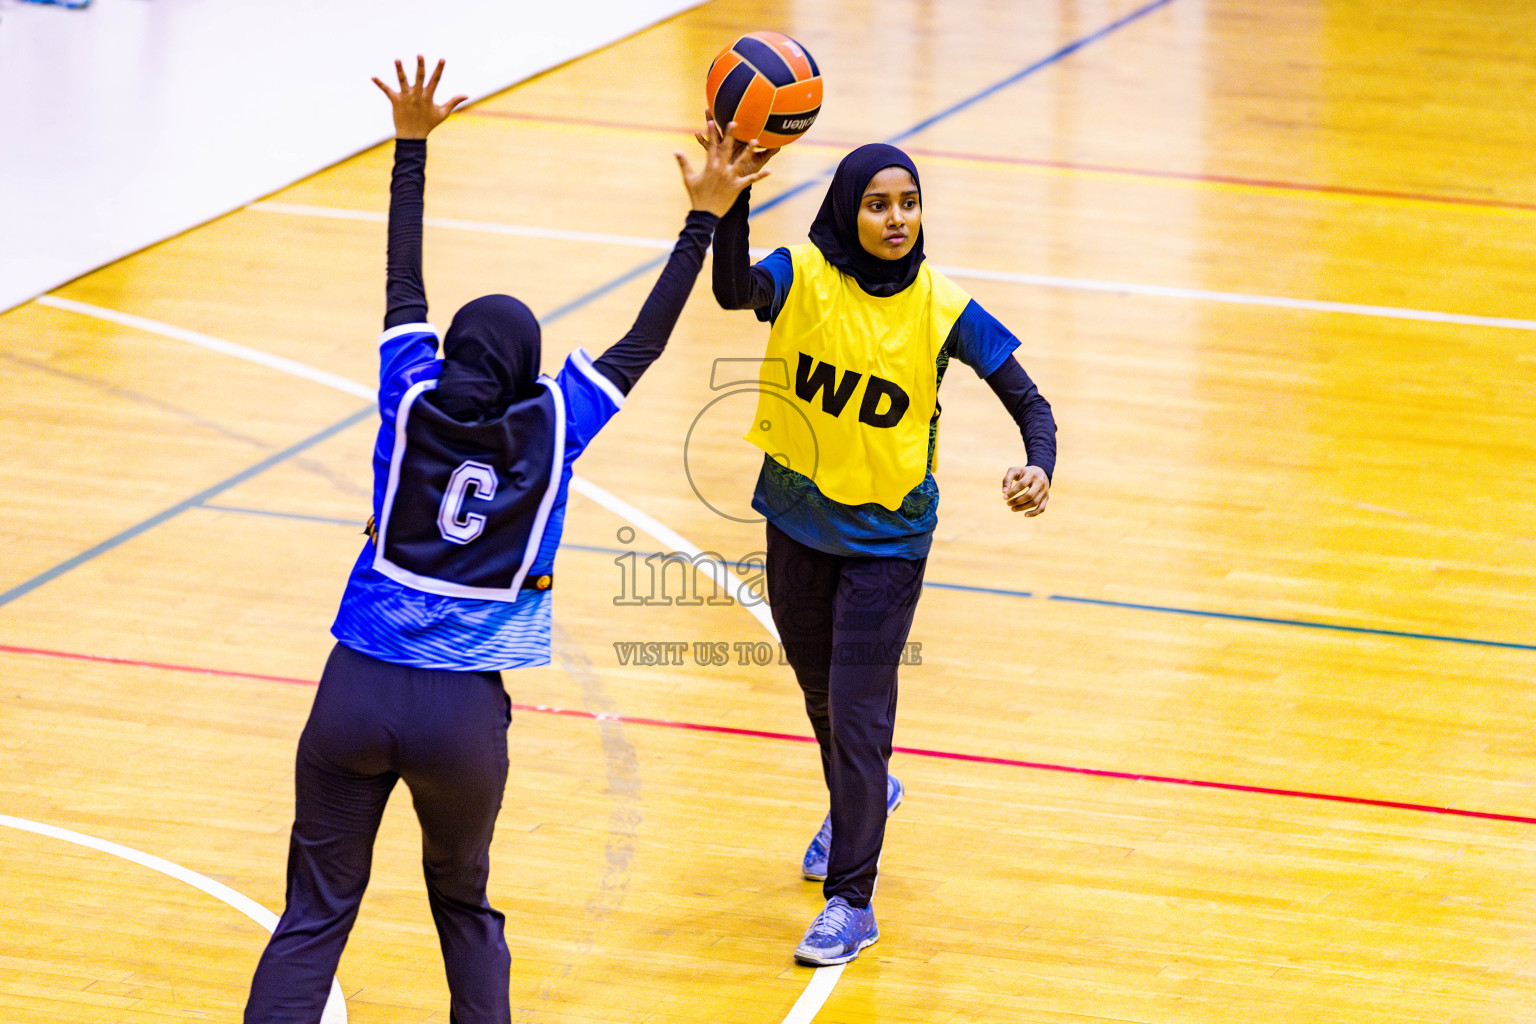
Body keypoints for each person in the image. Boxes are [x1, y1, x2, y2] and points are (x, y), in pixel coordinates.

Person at [243, 58, 769, 1024]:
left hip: (352, 686)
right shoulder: (557, 423)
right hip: (461, 720)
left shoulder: (409, 394)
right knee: (464, 908)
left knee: (314, 914)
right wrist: (703, 216)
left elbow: (404, 279)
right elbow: (644, 341)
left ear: (451, 354)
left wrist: (411, 143)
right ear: (527, 368)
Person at [709, 128, 1057, 966]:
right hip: (795, 520)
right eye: (878, 204)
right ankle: (862, 797)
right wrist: (734, 199)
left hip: (888, 544)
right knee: (820, 695)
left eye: (908, 203)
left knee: (861, 715)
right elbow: (728, 292)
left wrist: (1038, 467)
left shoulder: (944, 307)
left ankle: (851, 902)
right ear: (847, 210)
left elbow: (1030, 401)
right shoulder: (801, 276)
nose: (896, 218)